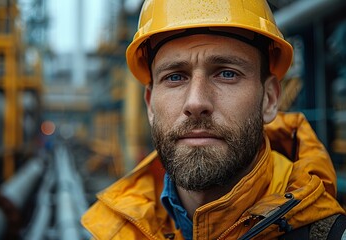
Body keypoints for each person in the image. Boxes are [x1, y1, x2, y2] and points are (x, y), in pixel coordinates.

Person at [81, 0, 346, 239]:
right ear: (150, 105)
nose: (196, 102)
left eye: (227, 74)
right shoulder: (115, 232)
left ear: (269, 99)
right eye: (175, 77)